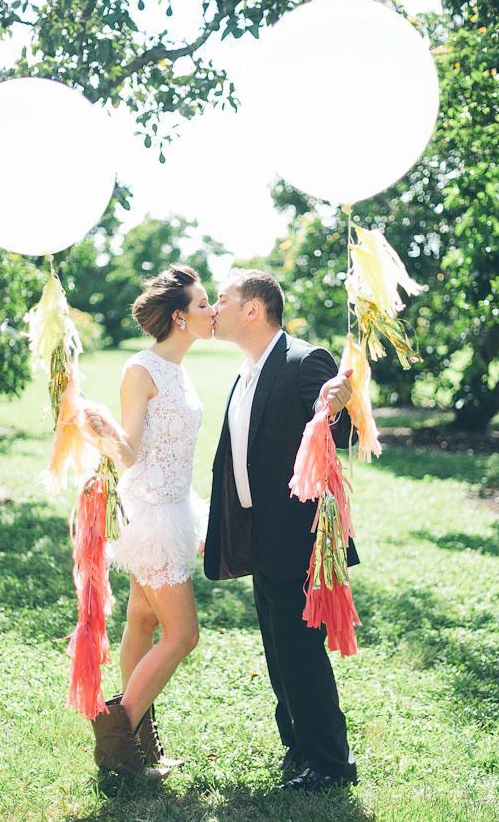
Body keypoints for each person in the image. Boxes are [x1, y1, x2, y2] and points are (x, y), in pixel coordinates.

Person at [205, 269, 359, 793]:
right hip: (259, 532)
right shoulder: (244, 373)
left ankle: (332, 765)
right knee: (277, 647)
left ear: (253, 309)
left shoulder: (303, 361)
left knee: (299, 650)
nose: (214, 309)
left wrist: (338, 407)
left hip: (298, 536)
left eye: (221, 300)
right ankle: (298, 746)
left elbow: (343, 431)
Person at [84, 264, 214, 780]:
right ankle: (116, 740)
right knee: (183, 636)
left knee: (143, 621)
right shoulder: (141, 369)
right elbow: (131, 451)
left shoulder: (178, 369)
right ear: (180, 318)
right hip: (152, 515)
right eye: (204, 304)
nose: (212, 312)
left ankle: (139, 748)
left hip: (177, 505)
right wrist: (99, 430)